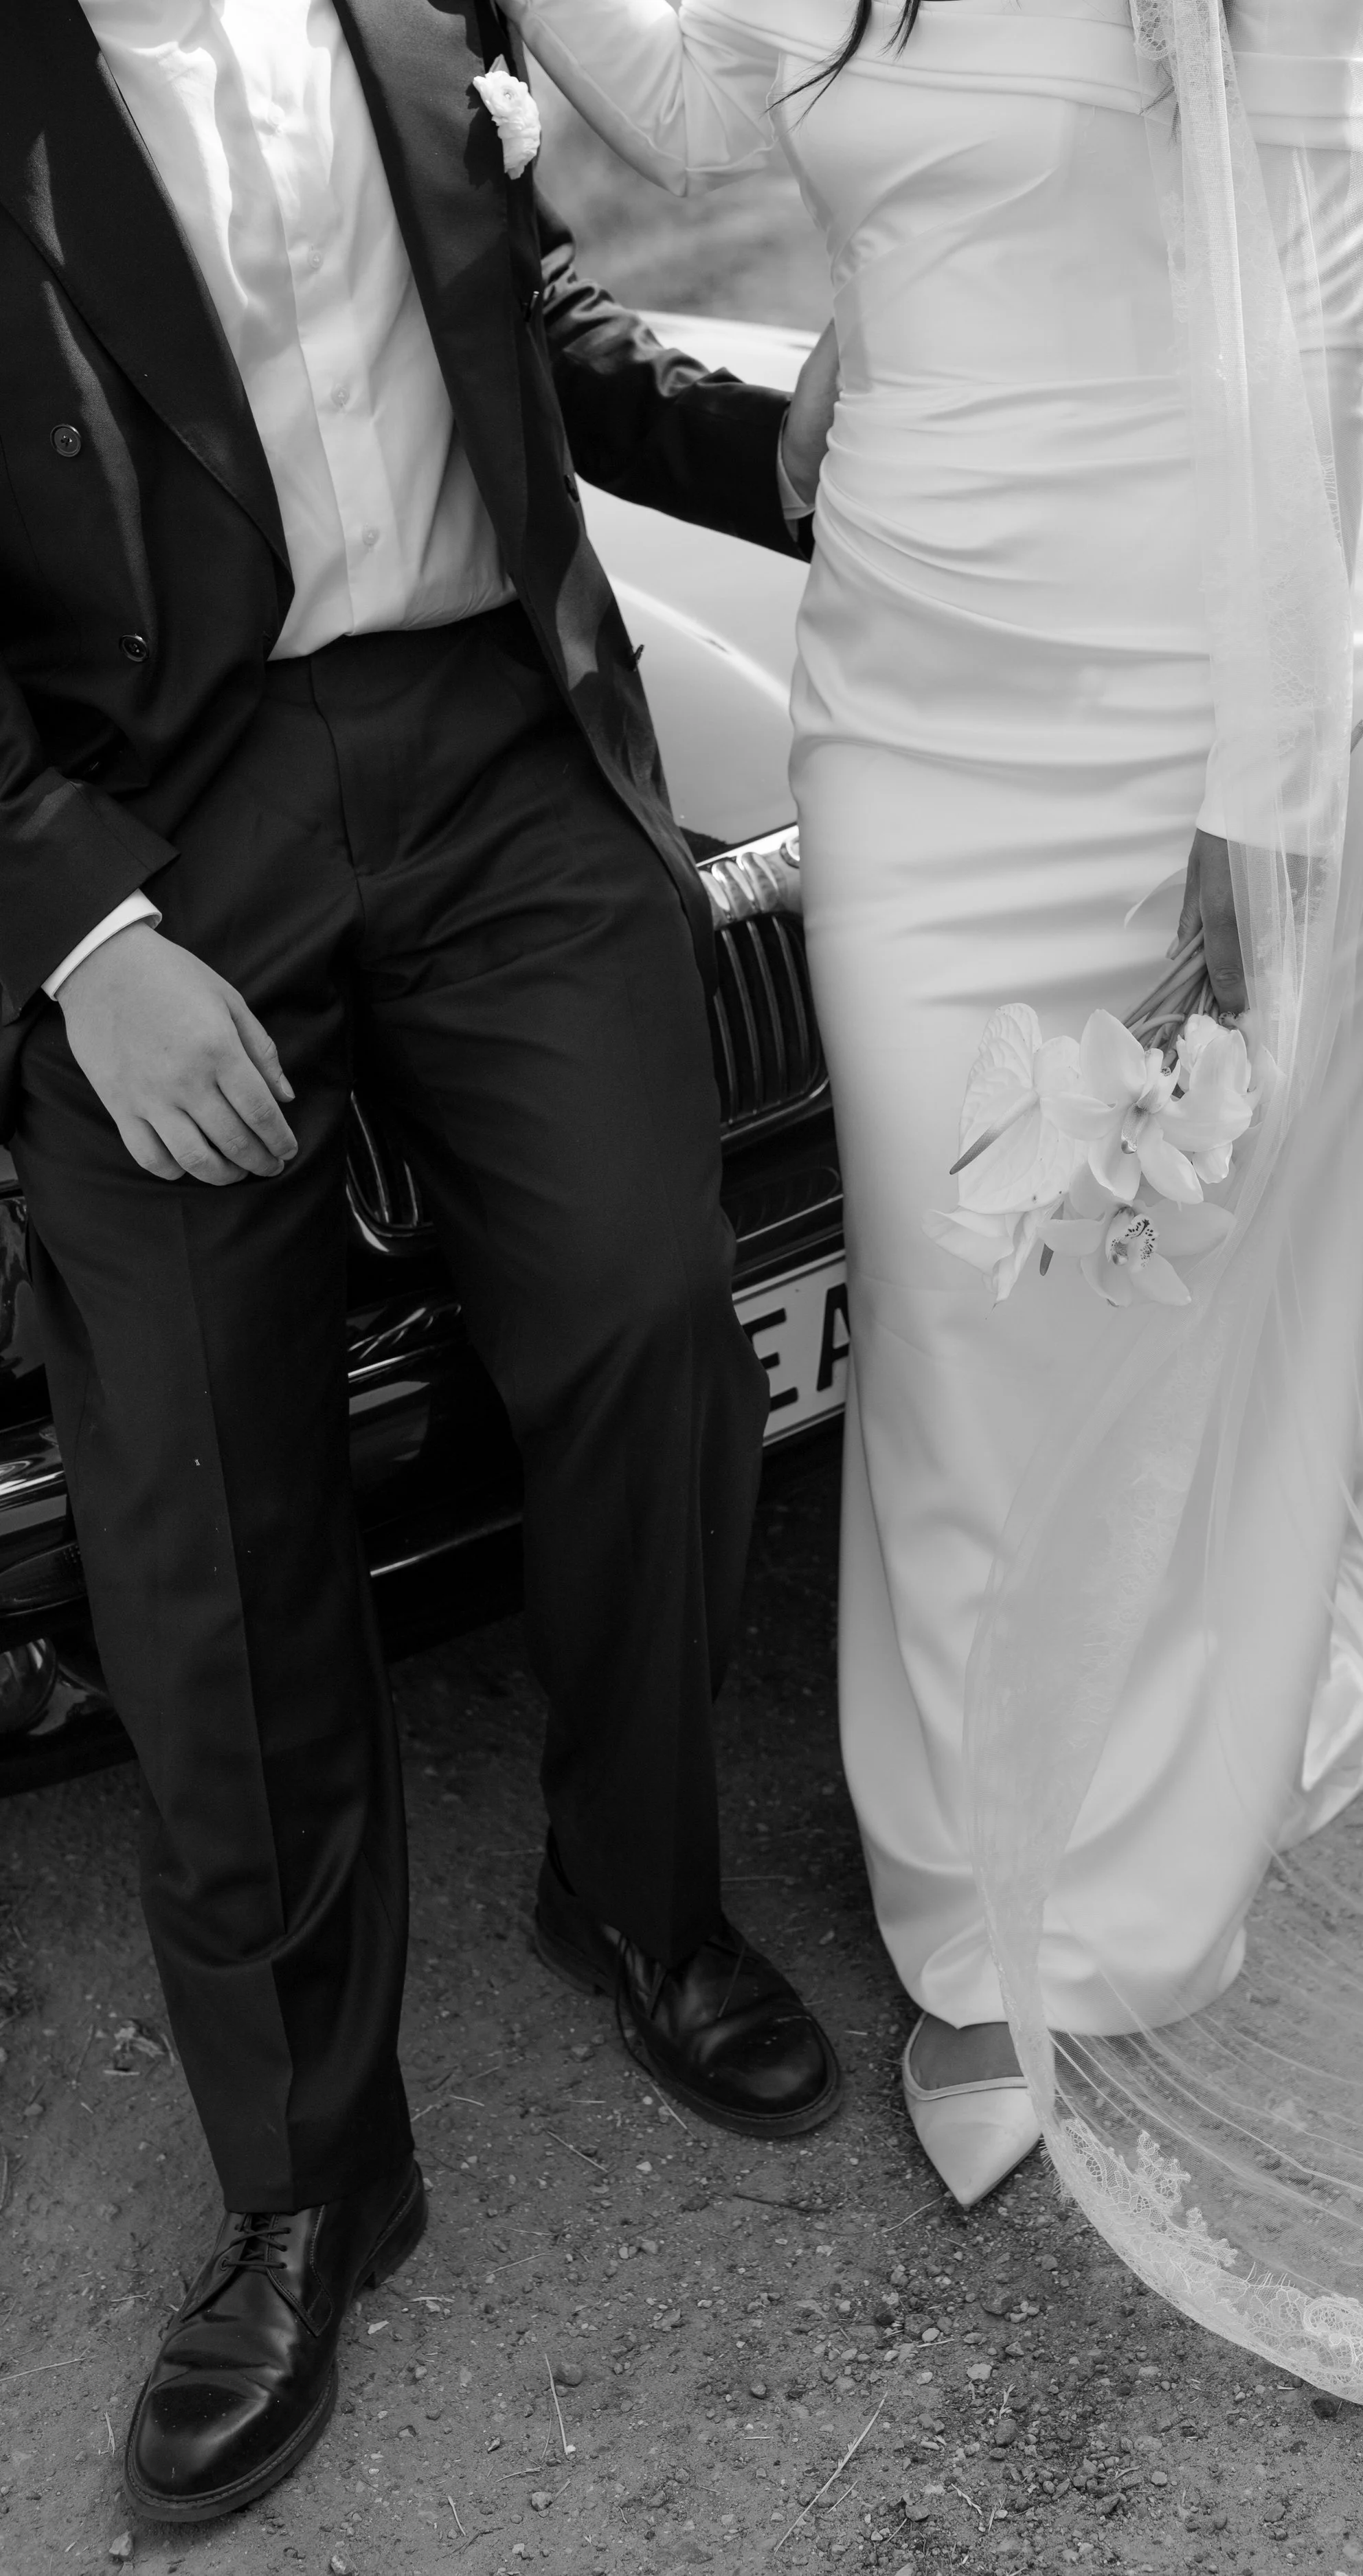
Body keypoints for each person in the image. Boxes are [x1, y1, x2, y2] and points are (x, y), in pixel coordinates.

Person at [504, 0, 1363, 2461]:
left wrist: (1253, 811)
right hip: (898, 707)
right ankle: (973, 1898)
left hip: (1163, 701)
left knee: (1135, 1296)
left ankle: (1126, 1861)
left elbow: (1333, 323)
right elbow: (702, 102)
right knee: (954, 1304)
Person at [2, 0, 846, 2524]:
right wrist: (76, 936)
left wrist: (767, 441)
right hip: (154, 828)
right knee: (201, 1510)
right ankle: (312, 2180)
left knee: (654, 1322)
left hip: (495, 755)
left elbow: (518, 320)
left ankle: (637, 1891)